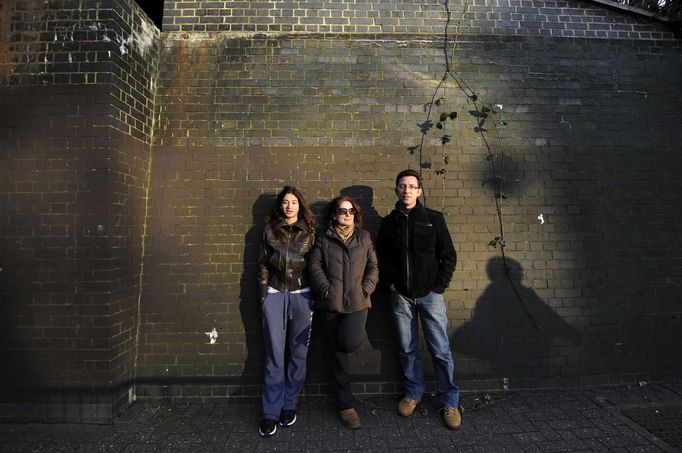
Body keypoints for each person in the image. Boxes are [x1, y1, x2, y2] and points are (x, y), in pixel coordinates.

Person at [376, 169, 461, 430]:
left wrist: (438, 287)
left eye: (412, 186)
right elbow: (380, 258)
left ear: (419, 191)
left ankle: (450, 401)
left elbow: (448, 256)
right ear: (396, 190)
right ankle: (413, 393)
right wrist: (390, 284)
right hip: (400, 296)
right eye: (402, 186)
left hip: (430, 297)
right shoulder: (389, 223)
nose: (407, 190)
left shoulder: (433, 220)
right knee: (407, 348)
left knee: (440, 350)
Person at [308, 196, 379, 429]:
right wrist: (325, 289)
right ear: (334, 214)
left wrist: (366, 288)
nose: (346, 215)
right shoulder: (324, 238)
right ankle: (345, 405)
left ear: (355, 215)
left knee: (347, 343)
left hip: (358, 303)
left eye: (350, 211)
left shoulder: (364, 237)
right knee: (336, 356)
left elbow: (373, 266)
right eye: (342, 211)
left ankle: (344, 399)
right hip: (330, 304)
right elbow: (314, 266)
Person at [256, 186, 316, 437]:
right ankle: (270, 411)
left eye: (294, 202)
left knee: (298, 354)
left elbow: (315, 265)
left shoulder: (310, 233)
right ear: (280, 206)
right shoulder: (270, 230)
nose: (289, 206)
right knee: (274, 355)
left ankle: (289, 405)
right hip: (274, 294)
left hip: (302, 297)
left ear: (300, 206)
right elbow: (262, 264)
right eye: (285, 202)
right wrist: (263, 296)